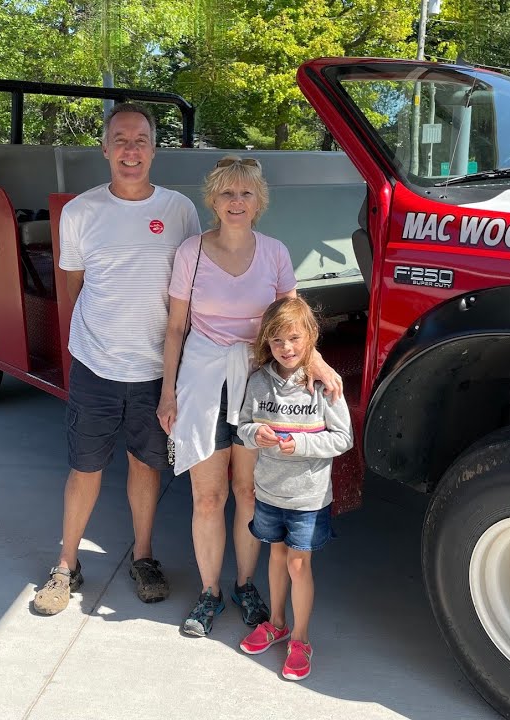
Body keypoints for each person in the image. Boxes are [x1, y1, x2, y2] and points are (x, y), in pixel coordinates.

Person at [157, 155, 343, 638]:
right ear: (212, 200)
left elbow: (294, 323)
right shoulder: (190, 253)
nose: (235, 202)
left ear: (259, 201)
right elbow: (176, 328)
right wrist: (167, 393)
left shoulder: (276, 253)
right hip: (201, 381)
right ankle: (208, 592)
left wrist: (316, 360)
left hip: (257, 383)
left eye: (245, 194)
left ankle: (244, 584)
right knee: (207, 496)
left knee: (247, 493)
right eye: (226, 193)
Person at [32, 102, 202, 616]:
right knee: (85, 468)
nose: (131, 150)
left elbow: (189, 293)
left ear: (155, 149)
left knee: (146, 465)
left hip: (156, 370)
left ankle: (143, 557)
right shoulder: (80, 212)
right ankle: (66, 565)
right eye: (121, 140)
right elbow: (73, 288)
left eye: (141, 140)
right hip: (96, 365)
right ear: (105, 149)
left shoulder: (180, 211)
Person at [234, 296, 353, 681]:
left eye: (293, 339)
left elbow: (343, 439)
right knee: (276, 557)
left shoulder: (323, 385)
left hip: (307, 497)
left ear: (310, 338)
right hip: (269, 492)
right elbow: (244, 427)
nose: (286, 348)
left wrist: (299, 444)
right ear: (267, 344)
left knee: (298, 565)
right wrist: (257, 434)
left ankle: (300, 638)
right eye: (277, 341)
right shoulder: (259, 381)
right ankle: (277, 622)